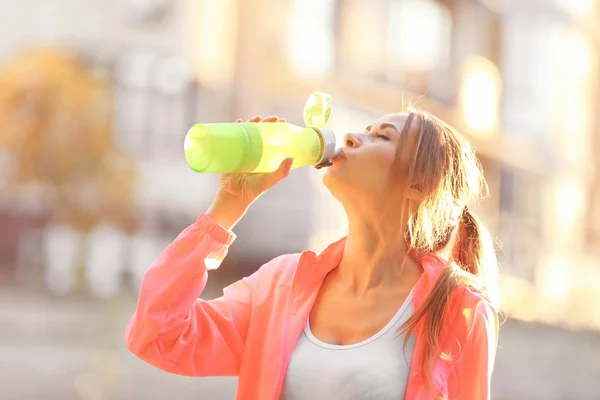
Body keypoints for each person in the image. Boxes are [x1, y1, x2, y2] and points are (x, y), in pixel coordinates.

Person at [125, 111, 500, 400]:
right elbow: (159, 334)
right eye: (365, 129)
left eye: (382, 136)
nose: (351, 137)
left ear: (420, 185)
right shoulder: (281, 286)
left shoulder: (458, 311)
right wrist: (227, 207)